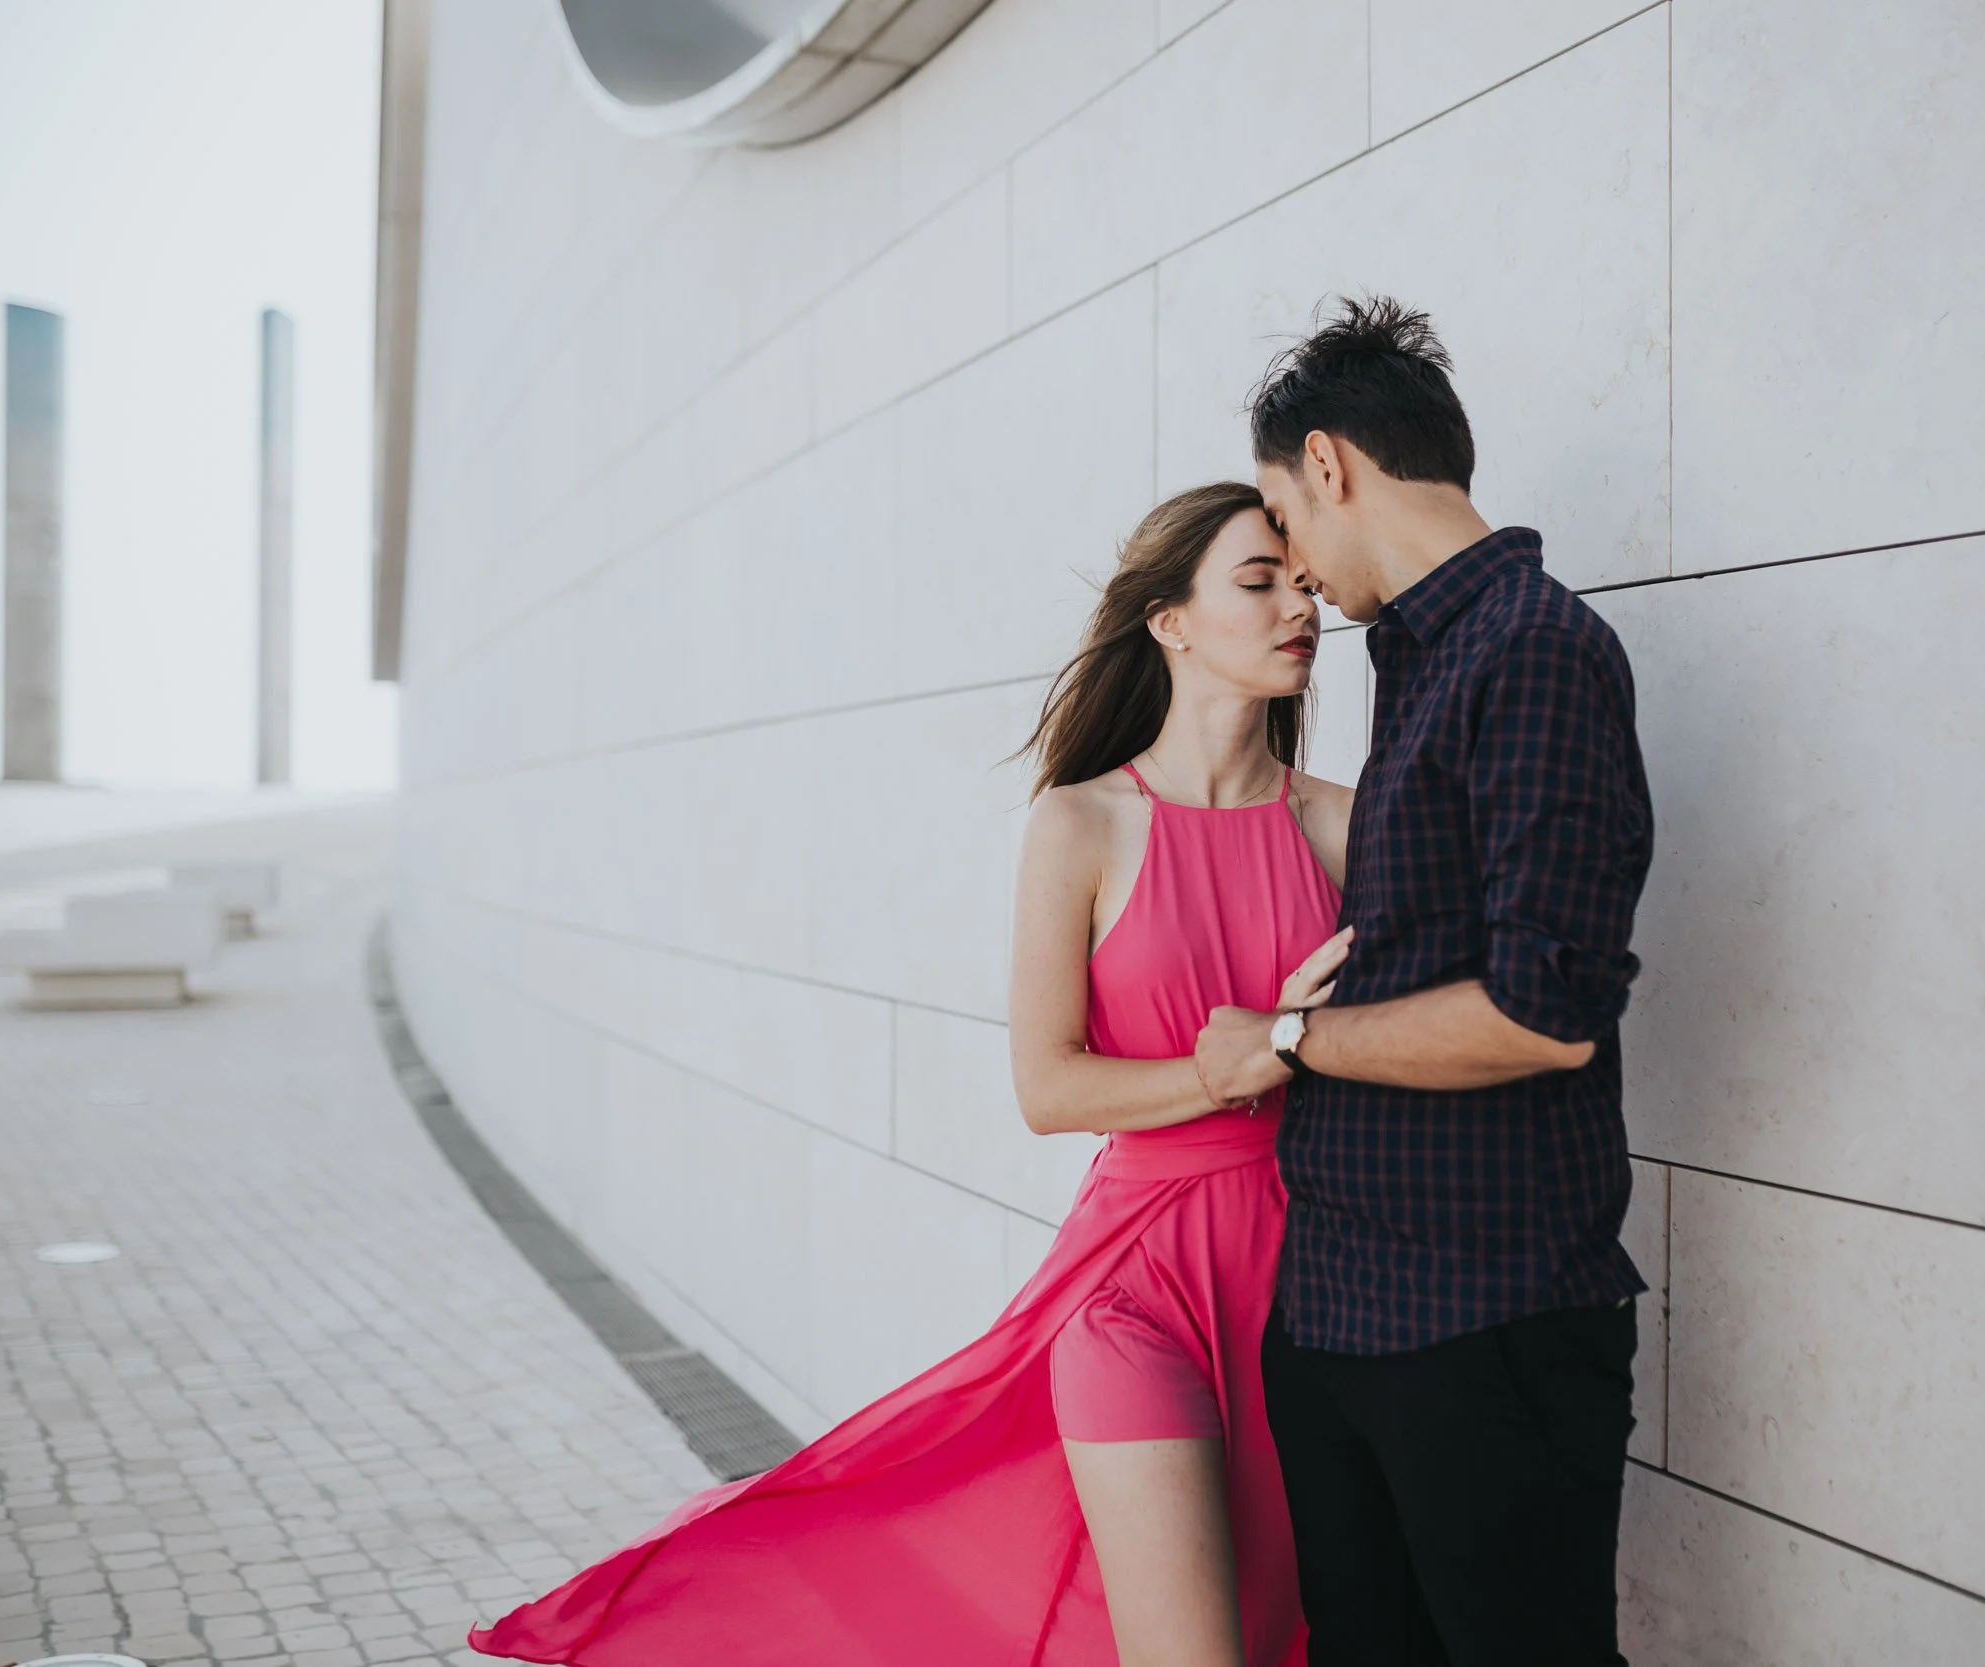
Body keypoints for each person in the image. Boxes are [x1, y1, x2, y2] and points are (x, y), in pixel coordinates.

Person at [466, 481, 1355, 1666]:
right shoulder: (1082, 823)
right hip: (1135, 1290)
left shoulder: (1344, 824)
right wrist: (1240, 1061)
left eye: (1303, 581)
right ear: (1169, 619)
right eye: (1257, 581)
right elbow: (1047, 1087)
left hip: (1318, 1278)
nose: (1298, 606)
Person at [1196, 296, 1656, 1665]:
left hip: (1485, 1321)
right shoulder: (1420, 656)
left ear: (1326, 463)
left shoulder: (1534, 648)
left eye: (1285, 517)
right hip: (1343, 1313)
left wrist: (1287, 1035)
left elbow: (1543, 1012)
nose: (1293, 564)